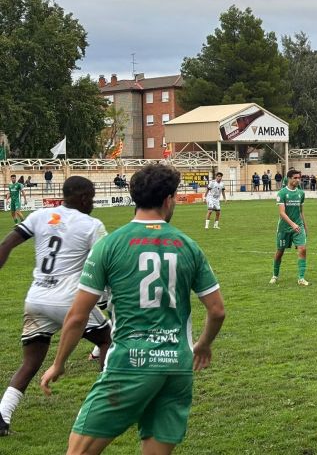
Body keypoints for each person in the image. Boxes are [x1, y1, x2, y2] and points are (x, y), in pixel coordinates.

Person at [39, 164, 225, 455]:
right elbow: (217, 311)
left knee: (78, 452)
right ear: (168, 199)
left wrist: (59, 363)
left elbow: (77, 316)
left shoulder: (109, 245)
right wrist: (203, 345)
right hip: (176, 366)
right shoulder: (188, 246)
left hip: (130, 363)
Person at [0, 177, 111, 437]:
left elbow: (6, 244)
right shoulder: (92, 225)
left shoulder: (40, 215)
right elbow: (105, 266)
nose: (93, 203)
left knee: (31, 361)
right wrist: (107, 300)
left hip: (37, 298)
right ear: (84, 198)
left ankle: (2, 414)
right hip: (69, 302)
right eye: (92, 198)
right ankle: (106, 407)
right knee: (107, 340)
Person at [270, 169, 309, 286]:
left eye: (299, 178)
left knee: (302, 249)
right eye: (295, 178)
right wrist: (292, 224)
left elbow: (301, 211)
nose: (298, 180)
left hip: (298, 227)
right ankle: (275, 275)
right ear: (289, 179)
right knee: (279, 252)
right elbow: (282, 213)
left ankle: (301, 278)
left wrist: (305, 227)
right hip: (284, 228)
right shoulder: (281, 193)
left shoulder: (301, 193)